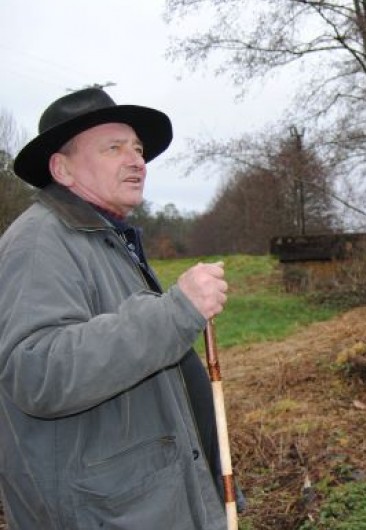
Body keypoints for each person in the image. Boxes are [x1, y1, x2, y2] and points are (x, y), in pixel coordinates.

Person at [0, 87, 232, 529]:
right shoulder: (38, 243)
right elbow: (36, 370)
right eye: (114, 148)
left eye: (139, 149)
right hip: (103, 514)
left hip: (142, 507)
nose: (136, 161)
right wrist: (174, 313)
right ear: (62, 168)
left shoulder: (106, 239)